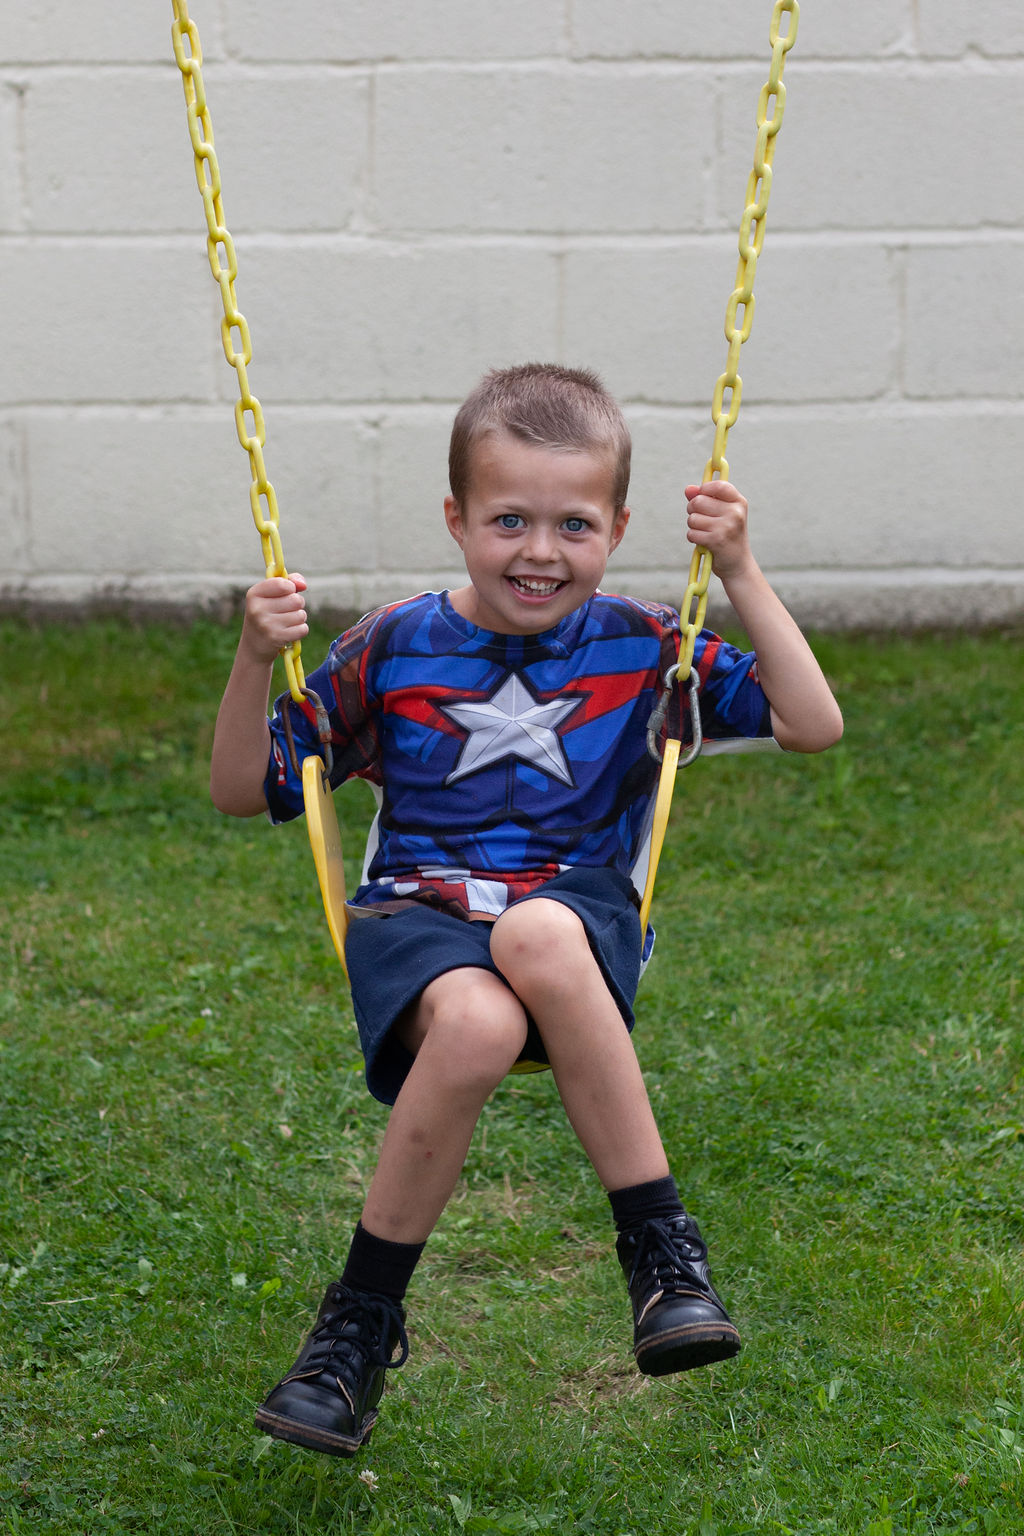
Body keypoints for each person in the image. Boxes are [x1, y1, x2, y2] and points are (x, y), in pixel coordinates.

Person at [210, 363, 843, 1458]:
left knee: (537, 930)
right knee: (478, 1023)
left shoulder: (647, 646)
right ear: (456, 519)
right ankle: (355, 1333)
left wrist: (735, 566)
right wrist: (252, 660)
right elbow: (240, 787)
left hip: (575, 913)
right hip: (421, 920)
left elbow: (811, 721)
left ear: (620, 527)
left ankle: (659, 1255)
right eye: (508, 519)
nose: (539, 550)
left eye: (573, 523)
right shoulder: (396, 646)